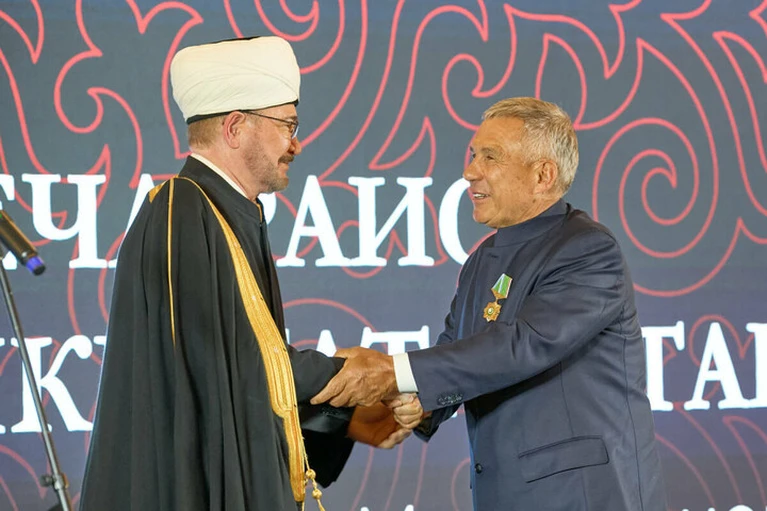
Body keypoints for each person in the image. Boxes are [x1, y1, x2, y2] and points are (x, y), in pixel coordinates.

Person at [80, 36, 420, 511]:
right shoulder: (182, 209)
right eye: (288, 125)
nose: (295, 144)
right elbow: (226, 370)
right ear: (236, 127)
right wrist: (353, 376)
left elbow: (239, 388)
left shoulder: (229, 211)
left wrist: (343, 419)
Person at [312, 97, 667, 510]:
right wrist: (419, 405)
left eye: (490, 157)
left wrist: (396, 372)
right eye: (473, 155)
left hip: (582, 496)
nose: (470, 171)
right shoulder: (481, 260)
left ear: (543, 175)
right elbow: (457, 350)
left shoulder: (587, 249)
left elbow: (521, 346)